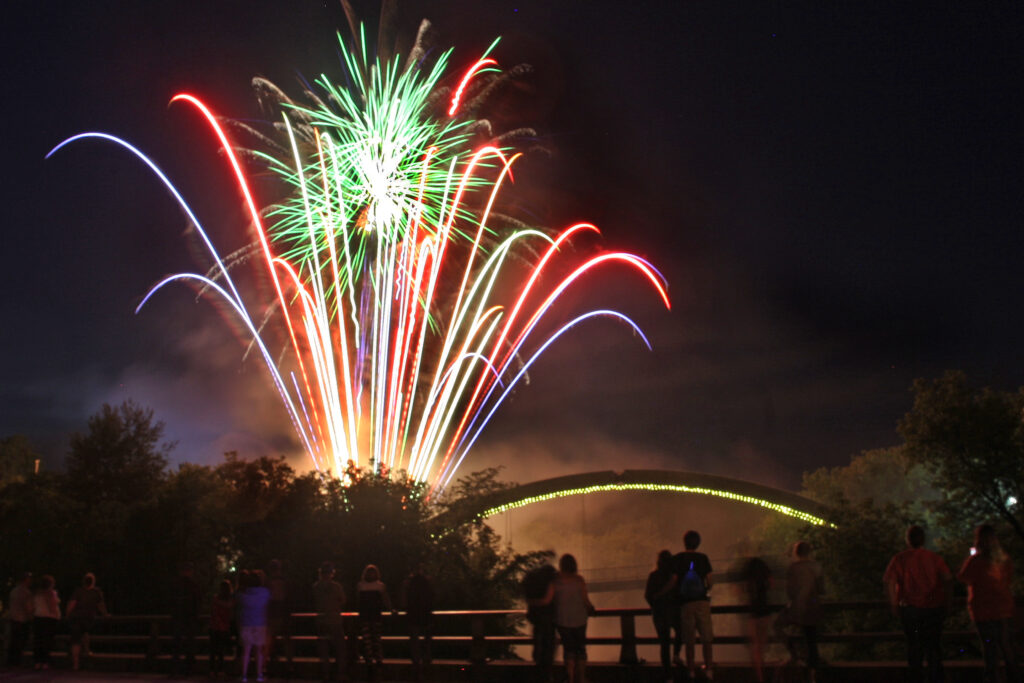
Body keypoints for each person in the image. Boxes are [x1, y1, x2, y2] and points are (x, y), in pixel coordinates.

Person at [883, 524, 952, 683]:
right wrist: (947, 603)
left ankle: (916, 678)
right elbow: (948, 580)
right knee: (933, 648)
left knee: (914, 649)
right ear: (923, 540)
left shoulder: (899, 559)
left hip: (910, 610)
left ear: (908, 540)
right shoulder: (934, 558)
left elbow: (889, 582)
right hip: (933, 609)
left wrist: (894, 604)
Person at [957, 524, 1022, 683]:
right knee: (1007, 646)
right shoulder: (1003, 559)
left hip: (983, 611)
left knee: (989, 648)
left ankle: (992, 678)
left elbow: (963, 577)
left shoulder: (976, 561)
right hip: (1003, 608)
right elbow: (1009, 578)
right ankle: (1013, 677)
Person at [776, 542, 823, 683]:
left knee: (778, 626)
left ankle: (794, 654)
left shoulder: (793, 568)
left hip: (798, 609)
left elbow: (790, 591)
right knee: (811, 639)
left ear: (796, 552)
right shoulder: (817, 567)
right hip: (814, 608)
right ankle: (813, 673)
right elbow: (821, 589)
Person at [546, 553, 594, 683]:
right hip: (579, 619)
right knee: (580, 649)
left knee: (569, 649)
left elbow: (549, 599)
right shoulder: (579, 580)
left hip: (562, 620)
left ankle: (571, 677)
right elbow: (586, 601)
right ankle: (582, 677)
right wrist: (591, 608)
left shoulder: (555, 581)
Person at [673, 530, 714, 680]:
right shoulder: (703, 558)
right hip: (702, 602)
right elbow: (710, 580)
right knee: (706, 637)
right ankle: (709, 669)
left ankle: (690, 670)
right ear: (698, 543)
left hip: (685, 603)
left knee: (689, 639)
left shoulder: (678, 559)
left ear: (684, 542)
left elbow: (674, 580)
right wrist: (707, 591)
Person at [644, 550, 679, 683]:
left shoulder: (653, 576)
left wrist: (655, 604)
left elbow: (647, 595)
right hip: (673, 612)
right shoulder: (674, 576)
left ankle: (667, 673)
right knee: (680, 634)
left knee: (664, 644)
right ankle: (678, 657)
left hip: (659, 613)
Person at [523, 563, 559, 683]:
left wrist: (532, 603)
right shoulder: (550, 581)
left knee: (539, 647)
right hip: (548, 621)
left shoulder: (532, 582)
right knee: (548, 650)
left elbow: (528, 599)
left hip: (537, 620)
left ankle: (540, 673)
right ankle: (546, 676)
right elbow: (547, 600)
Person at [313, 561, 347, 682]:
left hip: (321, 620)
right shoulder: (336, 586)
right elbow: (342, 600)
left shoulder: (316, 586)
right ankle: (340, 673)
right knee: (340, 648)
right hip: (335, 620)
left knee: (324, 649)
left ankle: (325, 673)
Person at [66, 572, 108, 670]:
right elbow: (101, 605)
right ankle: (86, 651)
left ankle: (76, 663)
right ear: (93, 582)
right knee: (85, 633)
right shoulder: (97, 592)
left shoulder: (78, 591)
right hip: (88, 618)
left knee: (76, 639)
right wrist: (105, 614)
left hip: (76, 618)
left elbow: (71, 604)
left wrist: (67, 614)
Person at [356, 564, 393, 674]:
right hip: (367, 615)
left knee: (376, 638)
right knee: (368, 639)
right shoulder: (361, 585)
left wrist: (390, 608)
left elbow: (385, 599)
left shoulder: (379, 586)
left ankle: (377, 659)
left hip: (374, 615)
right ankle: (370, 660)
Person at [741, 556, 773, 683]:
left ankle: (759, 677)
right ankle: (763, 674)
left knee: (755, 649)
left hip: (753, 614)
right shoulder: (764, 575)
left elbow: (742, 590)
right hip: (765, 612)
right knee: (761, 646)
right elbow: (771, 584)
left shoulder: (749, 577)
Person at [236, 569, 271, 683]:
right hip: (260, 623)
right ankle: (259, 674)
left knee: (246, 651)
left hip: (246, 623)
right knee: (259, 651)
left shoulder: (242, 594)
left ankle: (244, 675)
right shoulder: (265, 593)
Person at [401, 563, 434, 679]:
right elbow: (432, 595)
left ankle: (418, 662)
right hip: (422, 613)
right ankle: (424, 660)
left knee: (417, 640)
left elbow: (404, 599)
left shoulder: (409, 582)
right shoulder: (425, 581)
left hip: (416, 613)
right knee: (424, 639)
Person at [170, 561, 201, 676]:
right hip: (188, 618)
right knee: (189, 644)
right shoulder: (193, 585)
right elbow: (197, 602)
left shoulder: (177, 585)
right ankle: (188, 668)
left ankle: (177, 668)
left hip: (180, 618)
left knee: (178, 644)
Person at [265, 559, 294, 677]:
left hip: (273, 612)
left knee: (271, 639)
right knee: (286, 640)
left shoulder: (268, 582)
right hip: (283, 612)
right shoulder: (285, 581)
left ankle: (271, 663)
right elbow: (289, 597)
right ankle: (289, 665)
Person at [31, 574, 60, 670]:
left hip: (38, 617)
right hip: (48, 618)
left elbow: (32, 606)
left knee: (38, 640)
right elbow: (51, 605)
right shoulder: (50, 593)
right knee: (47, 640)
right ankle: (45, 661)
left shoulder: (36, 593)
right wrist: (56, 615)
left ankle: (37, 662)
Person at [6, 572, 33, 667]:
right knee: (20, 641)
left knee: (13, 641)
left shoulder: (13, 591)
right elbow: (28, 607)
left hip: (13, 618)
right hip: (22, 619)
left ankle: (10, 661)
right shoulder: (26, 592)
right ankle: (17, 661)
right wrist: (31, 617)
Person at [209, 579, 234, 678]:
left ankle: (211, 670)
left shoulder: (215, 599)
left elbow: (213, 612)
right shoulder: (230, 601)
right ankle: (220, 669)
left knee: (213, 650)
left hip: (214, 626)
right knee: (221, 651)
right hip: (223, 627)